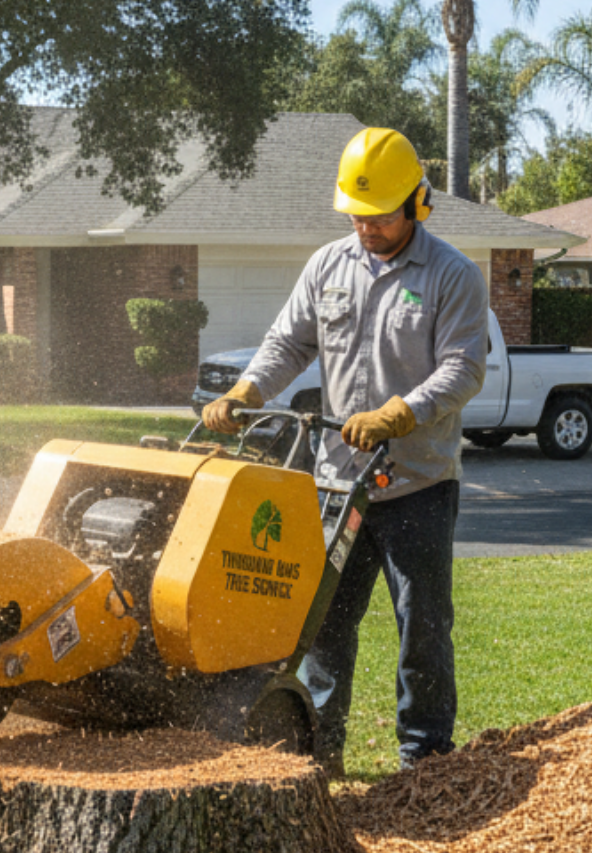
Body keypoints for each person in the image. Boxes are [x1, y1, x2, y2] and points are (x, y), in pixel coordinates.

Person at [201, 126, 488, 776]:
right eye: (357, 216)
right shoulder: (327, 266)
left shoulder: (452, 276)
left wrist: (398, 413)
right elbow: (287, 344)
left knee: (423, 630)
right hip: (335, 485)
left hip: (416, 485)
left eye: (380, 216)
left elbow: (465, 368)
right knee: (324, 626)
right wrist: (246, 392)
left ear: (417, 203)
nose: (367, 228)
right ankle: (319, 757)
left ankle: (425, 762)